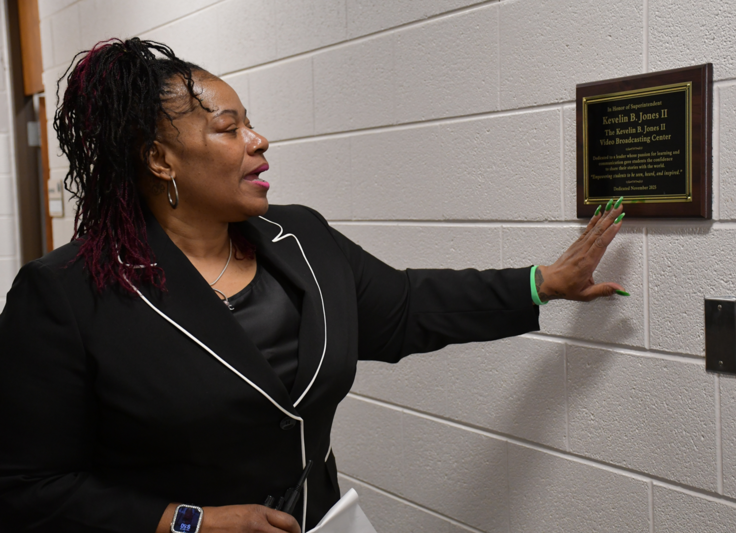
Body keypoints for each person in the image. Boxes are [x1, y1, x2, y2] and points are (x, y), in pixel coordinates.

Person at [0, 38, 627, 533]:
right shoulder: (66, 294)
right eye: (228, 128)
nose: (258, 140)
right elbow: (28, 489)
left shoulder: (299, 238)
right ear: (159, 159)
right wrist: (187, 522)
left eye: (251, 123)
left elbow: (406, 308)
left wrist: (540, 284)